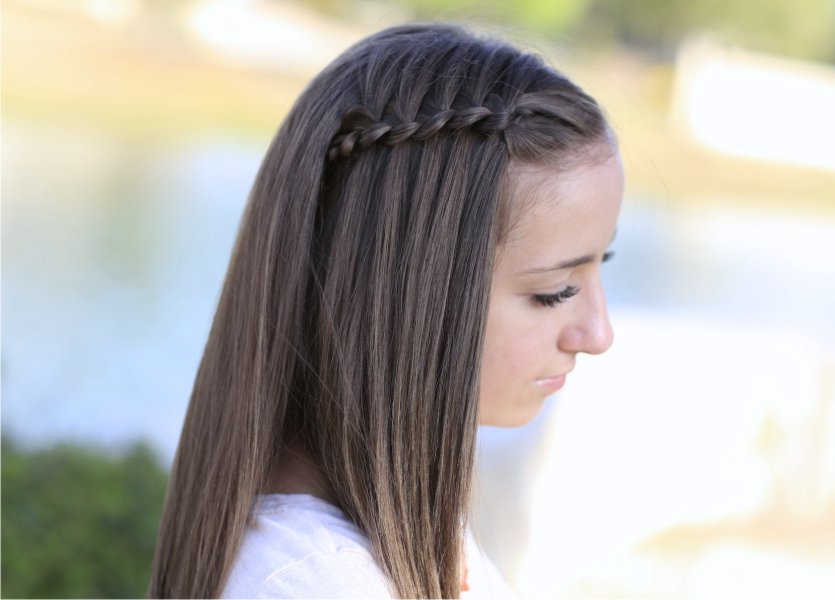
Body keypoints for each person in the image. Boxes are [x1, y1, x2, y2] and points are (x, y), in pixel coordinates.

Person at [149, 22, 623, 599]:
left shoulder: (395, 533)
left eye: (603, 263)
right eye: (554, 291)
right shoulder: (312, 584)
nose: (597, 334)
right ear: (407, 293)